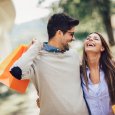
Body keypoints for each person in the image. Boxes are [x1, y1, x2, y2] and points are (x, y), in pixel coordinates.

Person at [10, 13, 89, 115]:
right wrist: (36, 47)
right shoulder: (37, 58)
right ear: (59, 33)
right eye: (71, 34)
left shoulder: (73, 54)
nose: (73, 38)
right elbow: (16, 71)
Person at [80, 32, 115, 115]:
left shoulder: (112, 68)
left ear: (102, 48)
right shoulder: (79, 72)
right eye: (88, 38)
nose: (90, 39)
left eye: (96, 38)